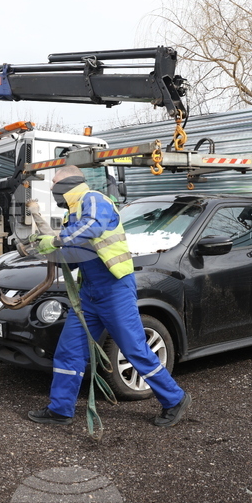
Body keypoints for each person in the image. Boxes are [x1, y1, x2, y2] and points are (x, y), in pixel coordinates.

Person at [27, 165, 191, 428]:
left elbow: (91, 228)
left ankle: (175, 399)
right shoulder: (73, 214)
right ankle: (60, 409)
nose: (51, 189)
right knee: (69, 351)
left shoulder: (94, 200)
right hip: (90, 294)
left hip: (114, 290)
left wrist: (56, 240)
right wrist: (46, 249)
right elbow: (79, 254)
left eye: (55, 182)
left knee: (134, 349)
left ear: (69, 182)